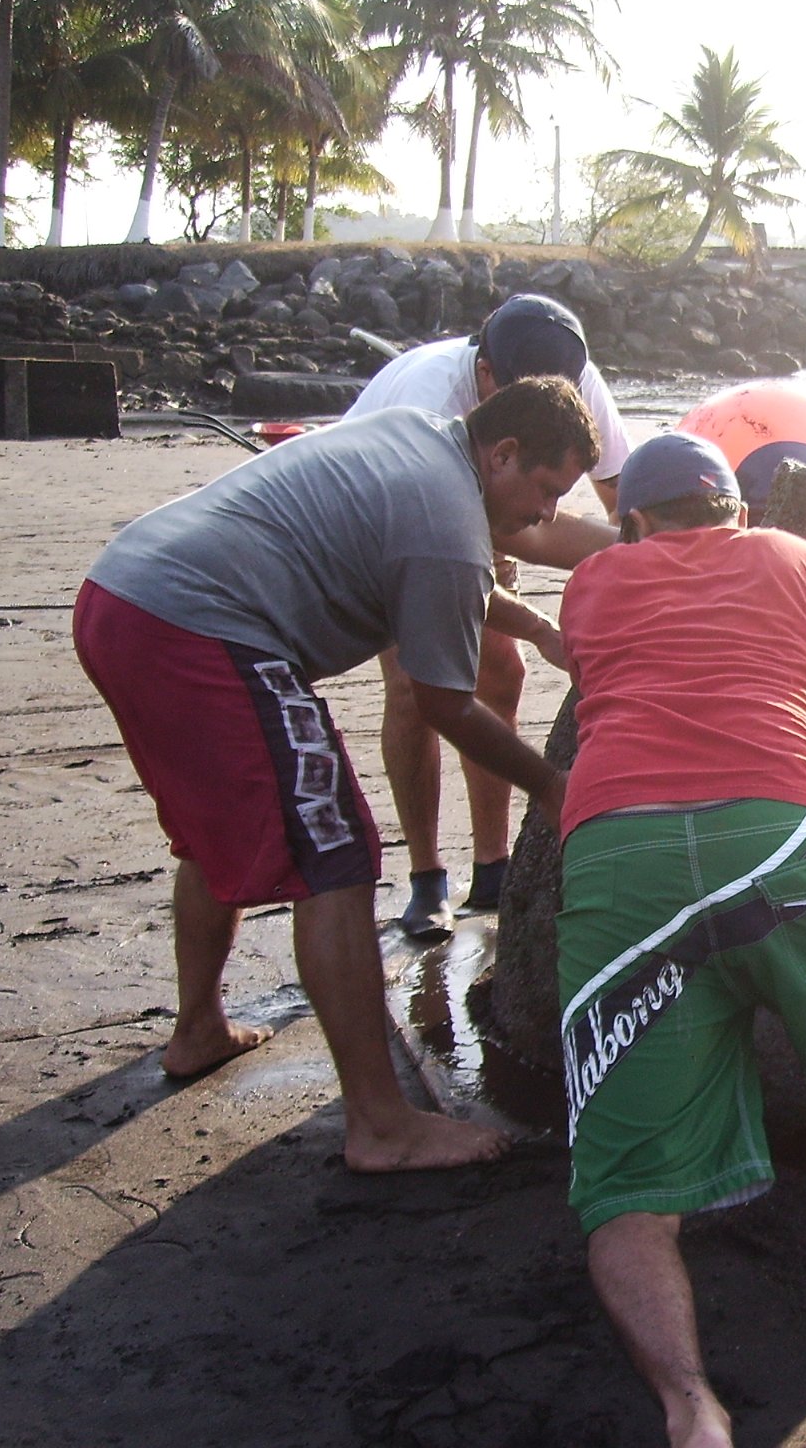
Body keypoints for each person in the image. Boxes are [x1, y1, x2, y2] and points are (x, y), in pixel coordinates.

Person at [74, 377, 598, 1172]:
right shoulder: (448, 523)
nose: (548, 516)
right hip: (201, 628)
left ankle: (198, 1030)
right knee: (337, 852)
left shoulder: (420, 437)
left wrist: (534, 627)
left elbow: (436, 571)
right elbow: (448, 705)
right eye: (547, 491)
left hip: (121, 598)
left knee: (212, 835)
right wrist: (551, 786)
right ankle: (383, 1125)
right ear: (503, 454)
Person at [555, 434, 806, 1446]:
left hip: (620, 856)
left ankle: (690, 1406)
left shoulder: (594, 584)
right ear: (736, 509)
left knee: (625, 1181)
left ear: (636, 520)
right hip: (776, 842)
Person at [348, 294, 626, 936]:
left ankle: (493, 865)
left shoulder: (575, 380)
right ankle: (426, 879)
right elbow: (525, 537)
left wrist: (655, 555)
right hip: (389, 526)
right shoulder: (424, 398)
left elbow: (621, 500)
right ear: (485, 377)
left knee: (500, 674)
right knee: (418, 689)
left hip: (492, 501)